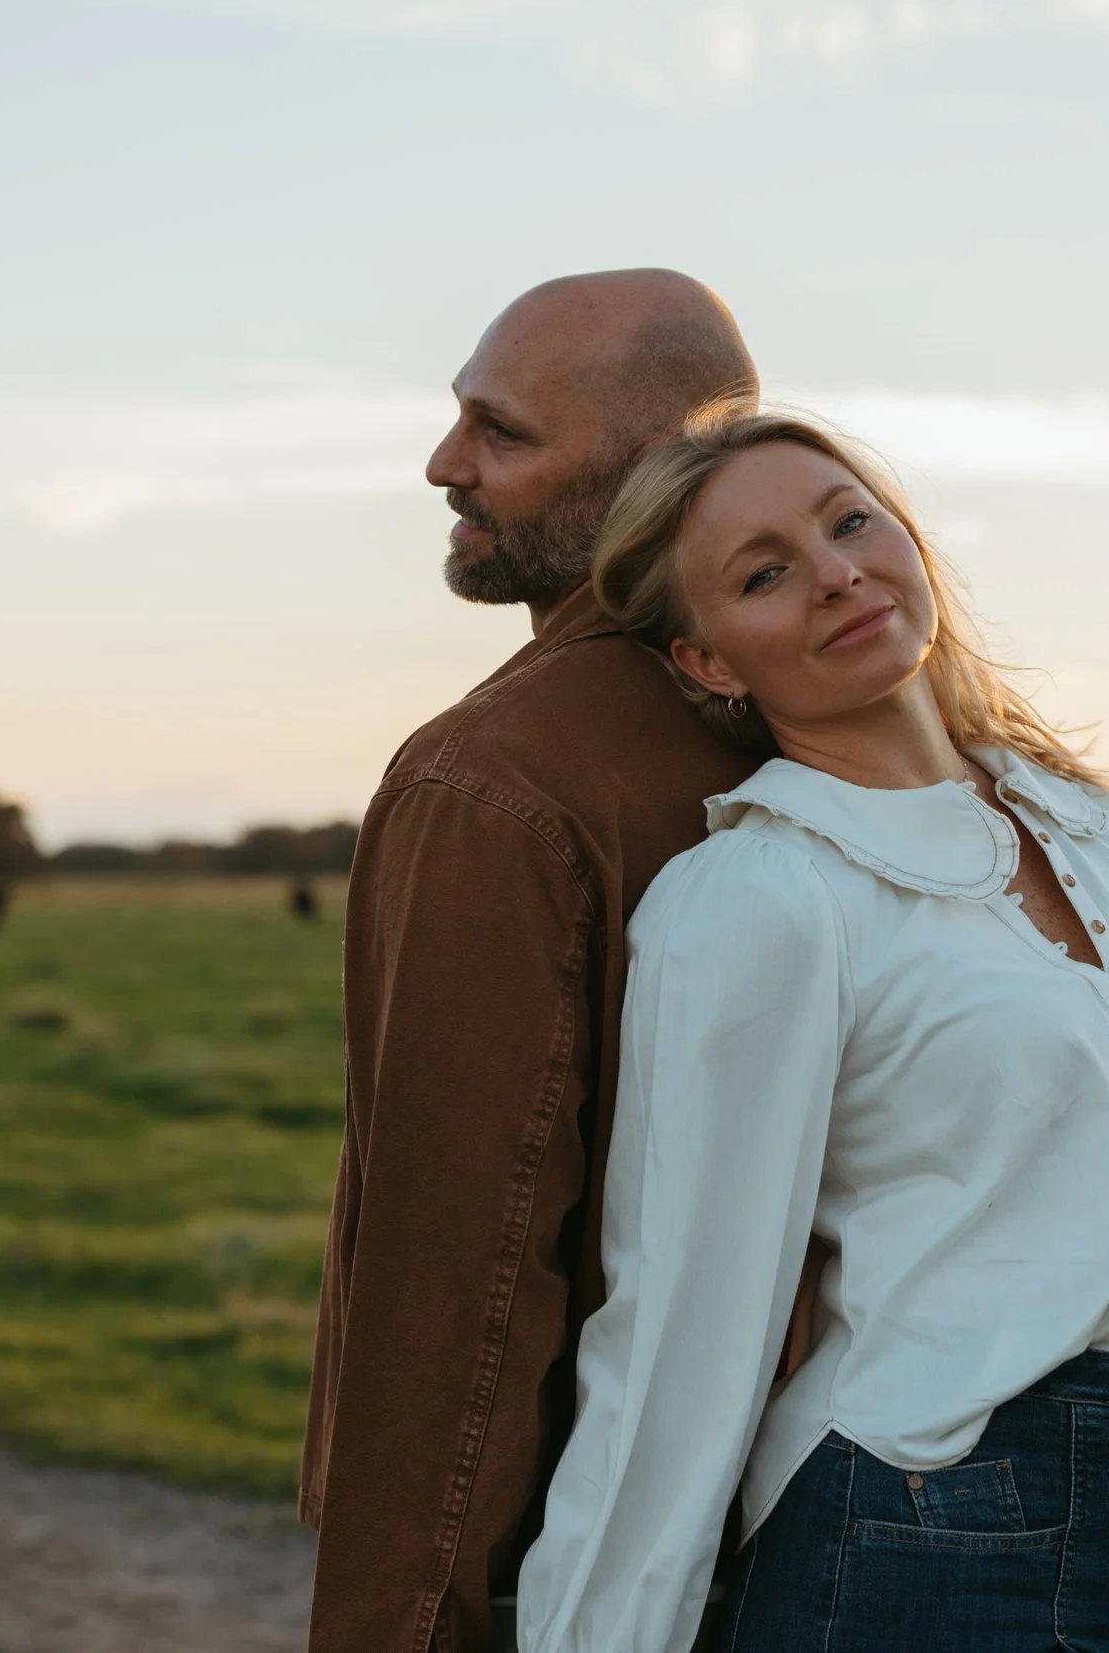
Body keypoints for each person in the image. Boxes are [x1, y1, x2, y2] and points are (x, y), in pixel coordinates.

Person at [516, 409, 1109, 1653]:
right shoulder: (759, 896)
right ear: (708, 661)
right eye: (764, 573)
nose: (834, 573)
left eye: (847, 520)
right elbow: (679, 1328)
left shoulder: (1101, 830)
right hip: (925, 1550)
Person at [301, 270, 770, 1652]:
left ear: (654, 473)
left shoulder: (488, 781)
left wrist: (400, 1619)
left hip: (570, 1551)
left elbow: (464, 1269)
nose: (444, 464)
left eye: (499, 434)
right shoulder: (831, 729)